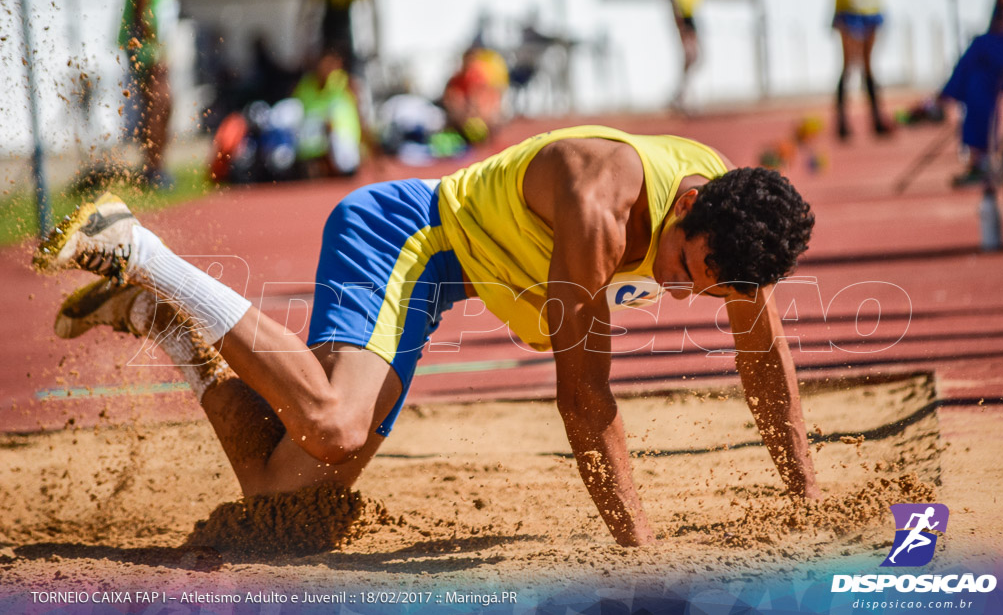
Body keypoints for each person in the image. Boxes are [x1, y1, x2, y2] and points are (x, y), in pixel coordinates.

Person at [35, 125, 821, 547]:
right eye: (688, 269)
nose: (684, 290)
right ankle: (142, 249)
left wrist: (805, 495)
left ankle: (156, 318)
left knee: (283, 502)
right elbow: (584, 397)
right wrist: (638, 549)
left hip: (456, 271)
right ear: (685, 209)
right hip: (412, 235)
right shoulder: (600, 202)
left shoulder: (733, 217)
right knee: (336, 423)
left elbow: (764, 351)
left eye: (706, 290)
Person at [927, 0, 1003, 188]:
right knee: (978, 81)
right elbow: (997, 29)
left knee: (979, 47)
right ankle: (982, 160)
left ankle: (942, 100)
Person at [798, 0, 891, 139]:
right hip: (848, 6)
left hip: (872, 4)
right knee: (849, 64)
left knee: (868, 65)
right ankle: (842, 122)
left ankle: (876, 119)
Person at [117, 0, 190, 189]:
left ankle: (157, 165)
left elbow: (166, 2)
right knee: (158, 102)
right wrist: (150, 41)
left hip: (159, 40)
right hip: (144, 41)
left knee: (164, 104)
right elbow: (141, 4)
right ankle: (152, 169)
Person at [653, 0, 706, 111]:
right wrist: (674, 7)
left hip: (694, 7)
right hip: (679, 8)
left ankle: (680, 94)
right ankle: (685, 96)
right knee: (690, 52)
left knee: (696, 55)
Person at [292, 50, 363, 177]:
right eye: (324, 63)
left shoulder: (346, 83)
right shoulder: (306, 84)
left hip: (341, 136)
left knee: (331, 125)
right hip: (313, 134)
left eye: (331, 64)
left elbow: (361, 115)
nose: (326, 68)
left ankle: (338, 165)